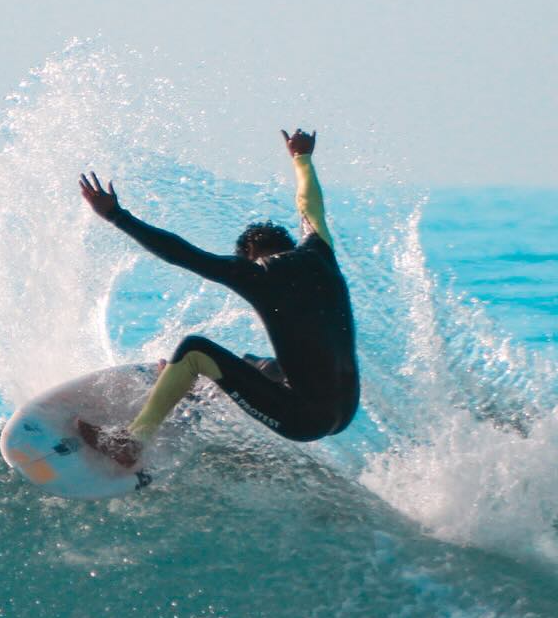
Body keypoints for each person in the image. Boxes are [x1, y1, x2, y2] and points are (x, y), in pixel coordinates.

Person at [76, 127, 359, 467]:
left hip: (303, 419)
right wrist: (302, 158)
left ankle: (132, 442)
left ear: (247, 256)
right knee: (255, 364)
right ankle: (192, 389)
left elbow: (179, 253)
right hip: (344, 412)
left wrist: (117, 216)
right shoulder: (319, 252)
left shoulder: (255, 274)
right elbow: (309, 206)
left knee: (194, 349)